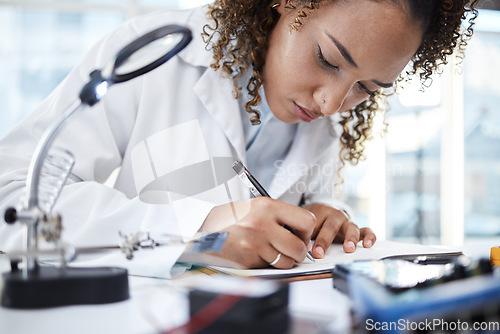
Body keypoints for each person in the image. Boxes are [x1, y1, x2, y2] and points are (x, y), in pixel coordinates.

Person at [0, 0, 478, 276]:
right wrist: (198, 232)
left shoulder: (324, 121)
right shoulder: (156, 56)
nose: (332, 103)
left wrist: (320, 221)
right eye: (329, 61)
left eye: (366, 88)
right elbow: (11, 193)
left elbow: (292, 224)